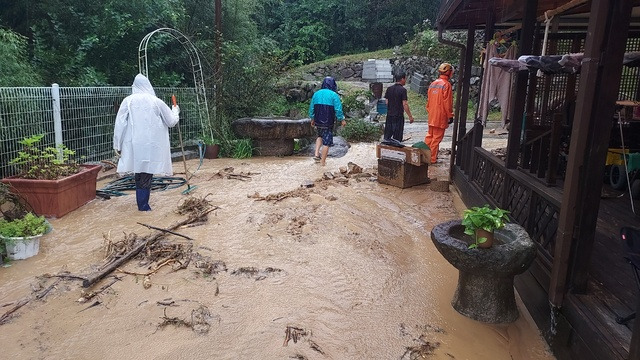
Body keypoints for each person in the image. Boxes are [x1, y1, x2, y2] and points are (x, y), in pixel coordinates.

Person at [113, 74, 180, 211]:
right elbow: (171, 121)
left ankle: (142, 204)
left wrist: (117, 145)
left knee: (139, 172)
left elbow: (119, 124)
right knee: (146, 173)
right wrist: (175, 110)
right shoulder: (156, 101)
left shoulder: (128, 101)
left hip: (132, 144)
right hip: (151, 145)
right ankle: (143, 207)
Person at [309, 76, 345, 166]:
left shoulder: (316, 94)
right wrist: (342, 119)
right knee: (327, 142)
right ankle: (323, 162)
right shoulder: (334, 95)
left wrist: (312, 118)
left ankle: (316, 154)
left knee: (319, 136)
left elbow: (311, 108)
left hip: (317, 120)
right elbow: (338, 109)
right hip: (328, 121)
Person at [425, 63, 455, 164]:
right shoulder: (446, 85)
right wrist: (450, 115)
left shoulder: (433, 84)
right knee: (436, 138)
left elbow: (428, 102)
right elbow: (447, 102)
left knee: (429, 136)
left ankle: (425, 156)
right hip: (440, 116)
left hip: (432, 115)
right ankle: (432, 159)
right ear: (449, 72)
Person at [383, 71, 414, 142]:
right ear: (402, 79)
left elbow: (387, 102)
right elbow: (405, 104)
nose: (405, 80)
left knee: (388, 136)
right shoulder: (403, 90)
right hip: (398, 115)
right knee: (397, 136)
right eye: (405, 79)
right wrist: (410, 116)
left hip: (390, 115)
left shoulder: (389, 89)